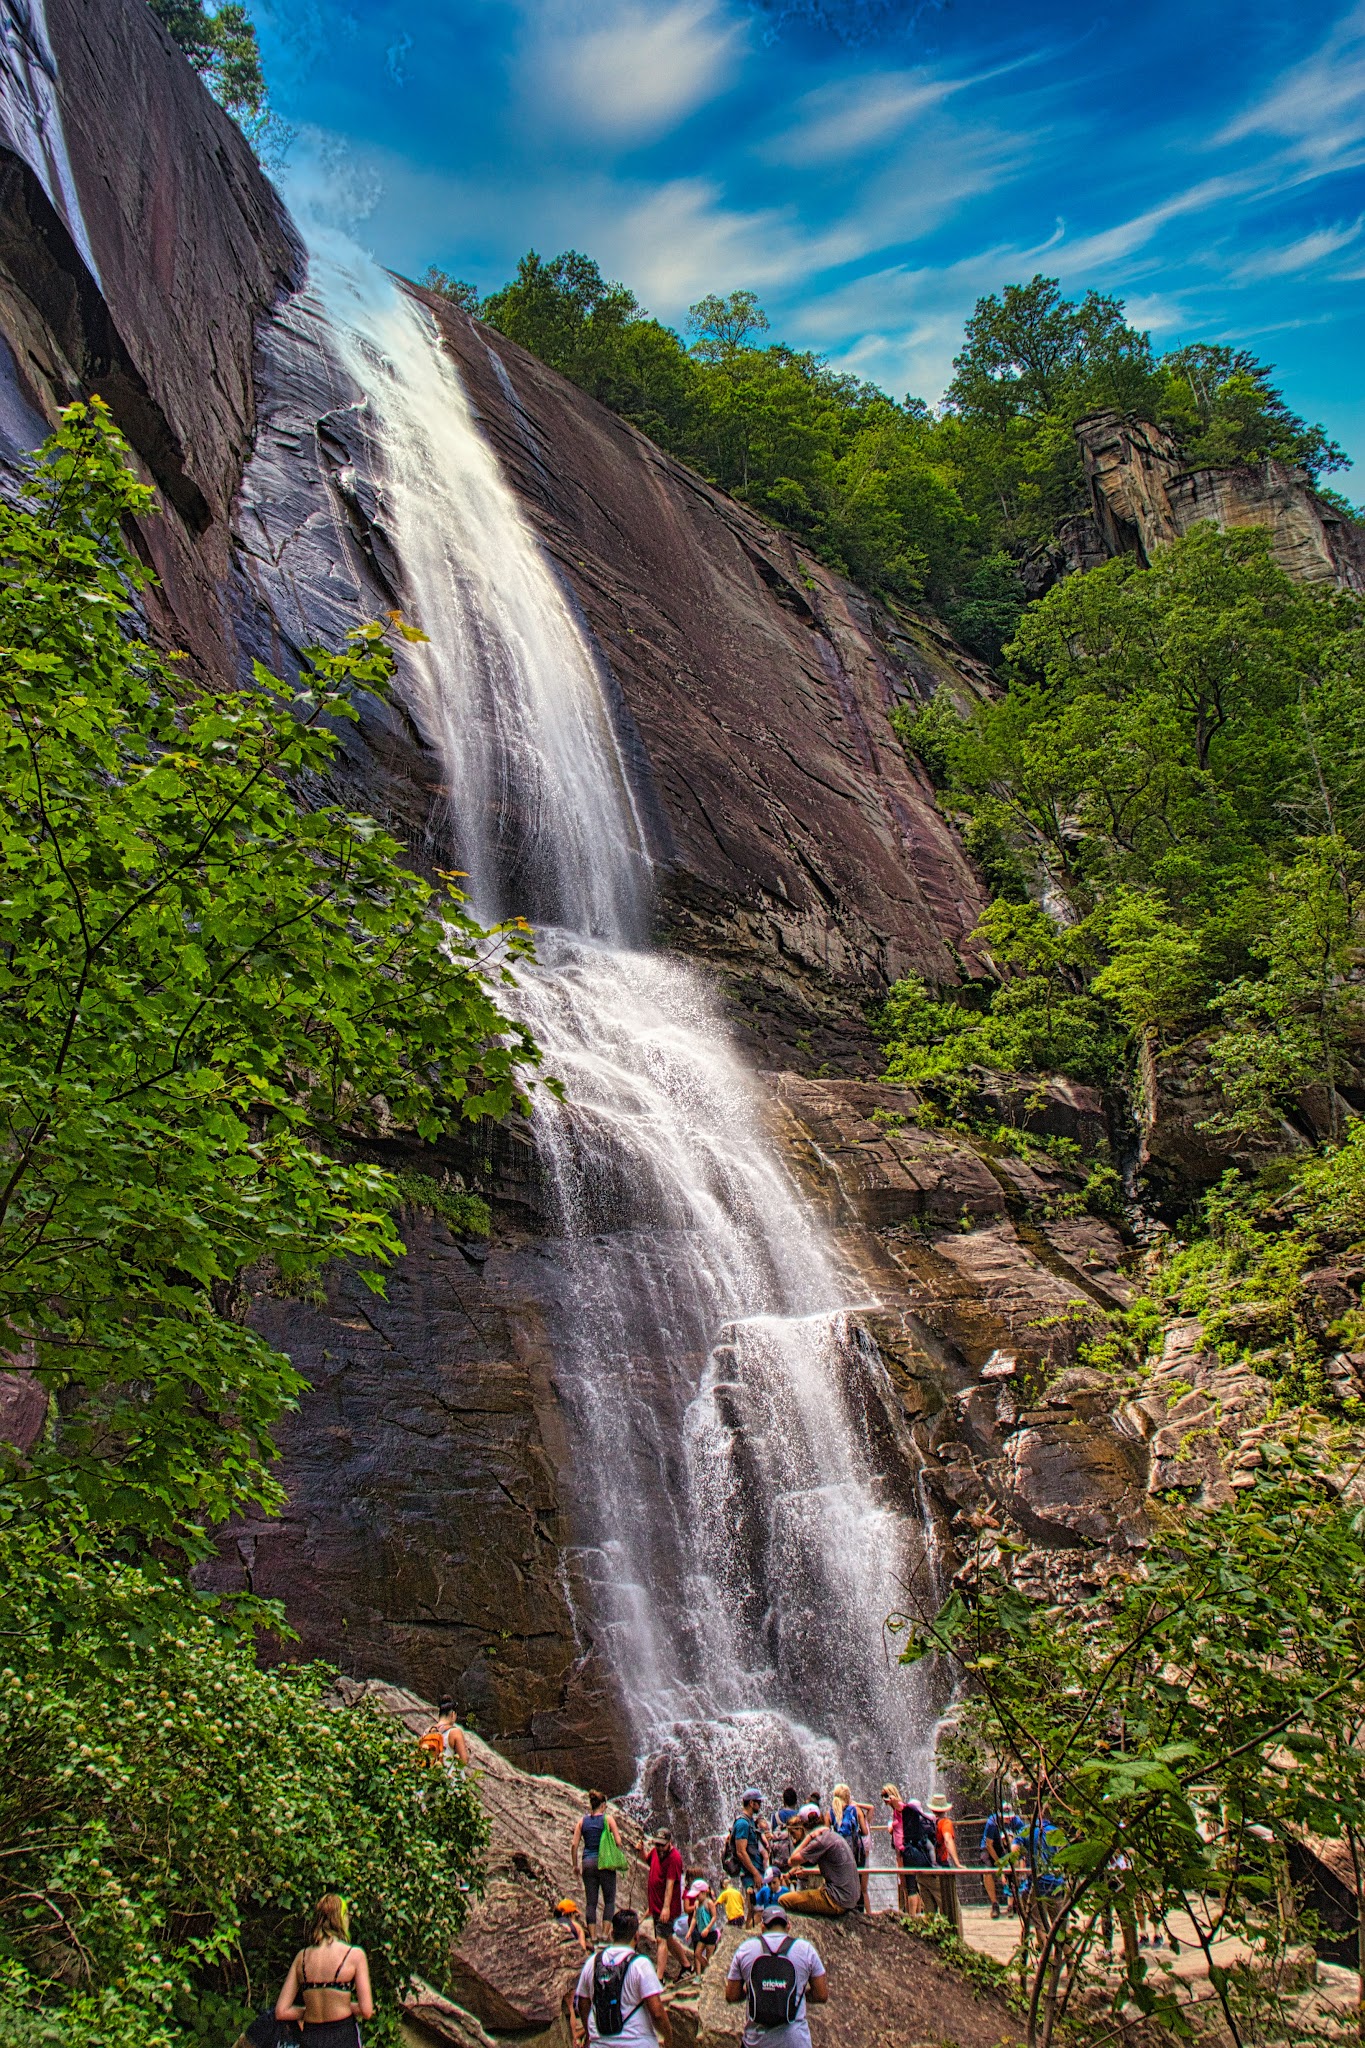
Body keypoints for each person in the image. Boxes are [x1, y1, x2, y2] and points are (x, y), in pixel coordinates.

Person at [274, 1893, 374, 2045]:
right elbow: (366, 2011)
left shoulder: (302, 1957)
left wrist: (307, 2010)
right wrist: (342, 2003)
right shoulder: (354, 1955)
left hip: (311, 2036)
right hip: (343, 2035)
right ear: (341, 1918)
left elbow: (281, 2012)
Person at [725, 1904, 828, 2048]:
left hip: (756, 2043)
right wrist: (796, 1994)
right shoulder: (806, 1950)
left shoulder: (745, 1949)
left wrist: (755, 1991)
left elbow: (731, 1995)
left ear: (762, 1926)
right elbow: (821, 1995)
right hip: (795, 2042)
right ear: (788, 1926)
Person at [573, 1907, 673, 2046]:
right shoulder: (640, 1965)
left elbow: (582, 2003)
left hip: (600, 2043)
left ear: (612, 1934)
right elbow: (656, 2012)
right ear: (636, 1936)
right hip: (636, 2042)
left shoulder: (593, 1962)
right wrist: (668, 2037)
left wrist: (590, 2033)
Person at [779, 1803, 861, 1917]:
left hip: (836, 1899)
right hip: (850, 1897)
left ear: (804, 1826)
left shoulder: (819, 1841)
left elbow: (791, 1861)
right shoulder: (833, 1835)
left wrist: (809, 1837)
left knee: (784, 1900)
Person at [637, 1827, 691, 1979]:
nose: (659, 1847)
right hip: (656, 1905)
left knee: (661, 1939)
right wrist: (641, 1851)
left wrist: (666, 1908)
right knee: (667, 1937)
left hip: (665, 1907)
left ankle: (658, 1978)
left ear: (669, 1843)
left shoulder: (674, 1858)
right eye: (657, 1844)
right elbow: (647, 1861)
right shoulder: (655, 1852)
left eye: (662, 1845)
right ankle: (687, 1965)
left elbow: (671, 1883)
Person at [573, 1789, 625, 1937]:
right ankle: (604, 1935)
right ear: (602, 1805)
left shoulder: (582, 1821)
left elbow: (574, 1845)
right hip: (605, 1863)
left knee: (591, 1903)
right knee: (609, 1900)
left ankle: (593, 1937)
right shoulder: (608, 1820)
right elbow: (619, 1842)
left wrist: (575, 1865)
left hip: (588, 1863)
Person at [829, 1784, 870, 1910]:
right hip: (856, 1853)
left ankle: (844, 1908)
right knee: (857, 1880)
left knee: (842, 1880)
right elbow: (865, 1831)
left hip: (838, 1854)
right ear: (848, 1797)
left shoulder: (830, 1812)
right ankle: (859, 1909)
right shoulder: (855, 1810)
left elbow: (826, 1834)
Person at [729, 1789, 768, 1924]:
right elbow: (741, 1851)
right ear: (751, 1803)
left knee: (755, 1911)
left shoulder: (750, 1821)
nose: (760, 1805)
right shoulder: (743, 1823)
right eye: (758, 1802)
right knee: (756, 1911)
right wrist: (755, 1873)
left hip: (756, 1871)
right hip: (751, 1874)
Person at [881, 1784, 918, 1914]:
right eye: (882, 1796)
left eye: (885, 1795)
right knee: (905, 1885)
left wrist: (892, 1799)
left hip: (905, 1850)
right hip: (900, 1851)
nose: (884, 1799)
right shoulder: (896, 1811)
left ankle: (913, 1915)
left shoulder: (900, 1807)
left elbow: (900, 1806)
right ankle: (909, 1912)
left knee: (910, 1884)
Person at [980, 1806, 1022, 1920]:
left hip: (1008, 1846)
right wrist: (1000, 1863)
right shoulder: (992, 1822)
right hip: (991, 1847)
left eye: (1010, 1817)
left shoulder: (1017, 1821)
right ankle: (994, 1904)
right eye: (1005, 1817)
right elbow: (989, 1844)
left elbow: (1022, 1838)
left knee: (1016, 1868)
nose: (1008, 1820)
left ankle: (1014, 1902)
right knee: (987, 1871)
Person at [418, 1696, 469, 1768]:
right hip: (446, 1776)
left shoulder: (427, 1731)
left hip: (428, 1775)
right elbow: (463, 1761)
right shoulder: (455, 1732)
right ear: (453, 1714)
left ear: (439, 1714)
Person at [685, 1880, 719, 1972]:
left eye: (698, 1895)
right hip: (701, 1934)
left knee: (709, 1955)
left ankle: (710, 1972)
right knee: (697, 1953)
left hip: (711, 1933)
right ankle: (707, 1970)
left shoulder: (709, 1903)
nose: (696, 1898)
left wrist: (708, 1928)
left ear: (704, 1892)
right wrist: (689, 1931)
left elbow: (714, 1917)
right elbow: (695, 1918)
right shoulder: (696, 1904)